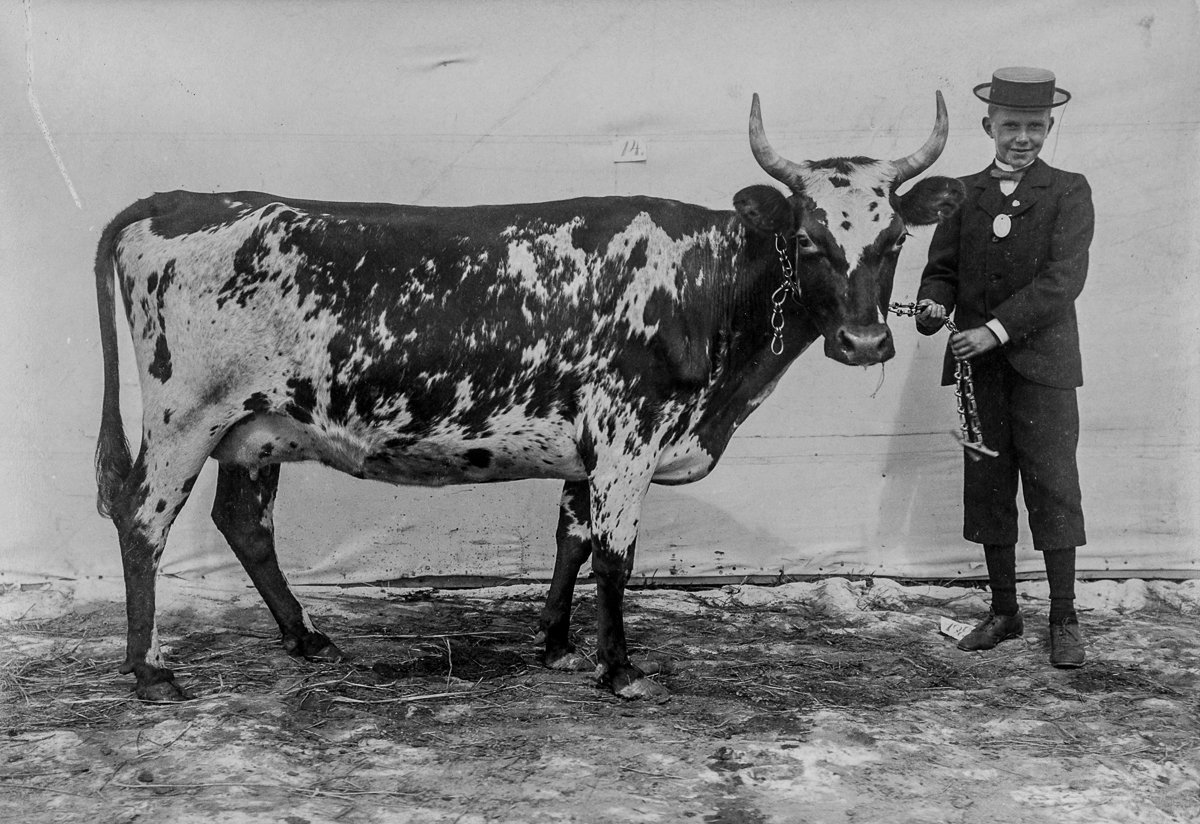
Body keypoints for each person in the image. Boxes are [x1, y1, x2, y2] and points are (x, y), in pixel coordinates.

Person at [915, 67, 1093, 668]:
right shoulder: (961, 194)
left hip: (1045, 370)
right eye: (1011, 125)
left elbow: (1063, 280)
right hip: (979, 377)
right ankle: (1004, 612)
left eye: (1035, 127)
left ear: (1049, 126)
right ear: (988, 124)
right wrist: (933, 304)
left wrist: (992, 331)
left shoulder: (1069, 190)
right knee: (989, 488)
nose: (1023, 138)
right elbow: (941, 270)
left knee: (1053, 485)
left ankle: (1063, 618)